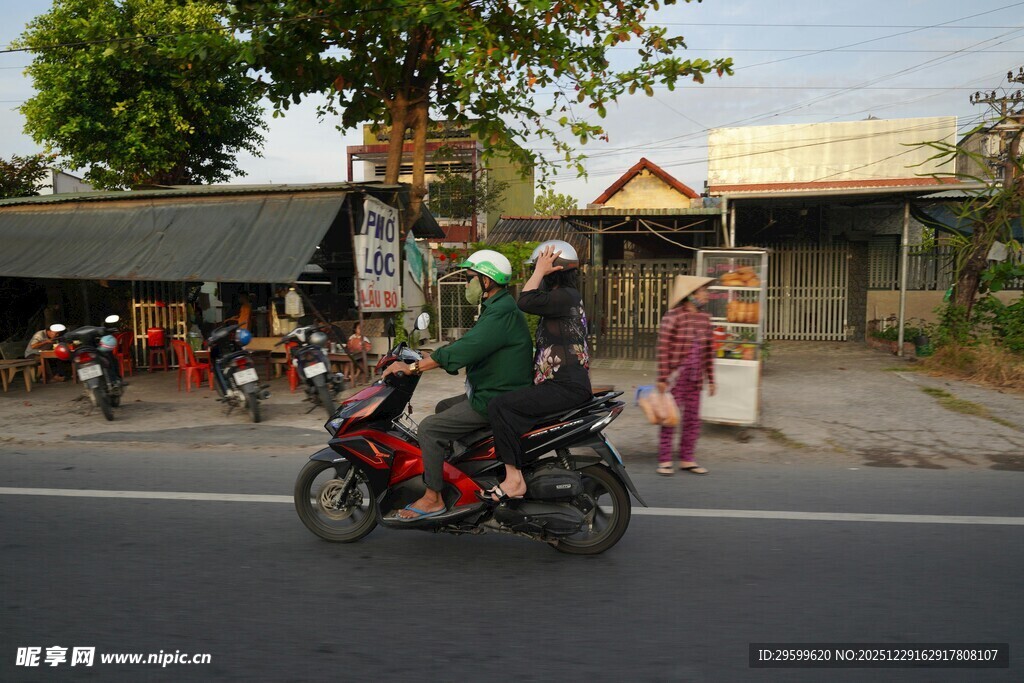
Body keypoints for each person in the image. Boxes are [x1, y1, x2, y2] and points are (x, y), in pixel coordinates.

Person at [381, 249, 533, 520]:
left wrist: (414, 367)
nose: (467, 284)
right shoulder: (497, 307)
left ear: (487, 280)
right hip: (493, 391)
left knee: (429, 429)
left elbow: (469, 348)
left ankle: (433, 498)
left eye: (470, 278)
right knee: (443, 406)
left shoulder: (501, 312)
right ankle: (466, 471)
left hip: (495, 398)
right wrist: (431, 356)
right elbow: (472, 343)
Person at [483, 241, 593, 502]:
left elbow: (525, 300)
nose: (537, 274)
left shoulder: (565, 296)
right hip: (560, 384)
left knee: (499, 406)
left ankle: (513, 480)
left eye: (540, 269)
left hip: (564, 386)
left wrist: (540, 269)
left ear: (554, 270)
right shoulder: (561, 299)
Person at [655, 275, 717, 476]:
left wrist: (711, 379)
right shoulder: (673, 316)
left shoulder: (705, 318)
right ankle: (665, 460)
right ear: (691, 295)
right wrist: (662, 378)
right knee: (670, 418)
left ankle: (687, 459)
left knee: (692, 419)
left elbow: (709, 351)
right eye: (703, 291)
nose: (706, 295)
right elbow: (663, 348)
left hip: (695, 378)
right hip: (675, 379)